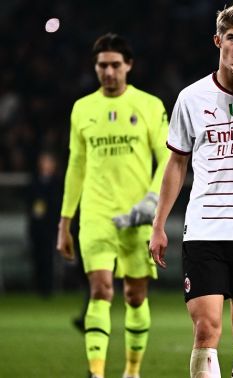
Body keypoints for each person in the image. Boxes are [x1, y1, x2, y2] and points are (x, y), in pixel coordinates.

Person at [149, 5, 233, 378]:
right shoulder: (190, 98)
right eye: (232, 38)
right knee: (206, 328)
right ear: (218, 40)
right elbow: (176, 163)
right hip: (205, 230)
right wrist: (159, 223)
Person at [56, 33, 169, 378]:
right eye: (102, 65)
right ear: (95, 67)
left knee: (135, 296)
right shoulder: (82, 108)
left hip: (138, 216)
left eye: (115, 65)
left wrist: (152, 200)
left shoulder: (149, 105)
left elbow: (166, 156)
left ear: (128, 66)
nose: (108, 72)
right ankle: (97, 372)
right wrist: (65, 223)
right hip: (96, 213)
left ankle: (132, 371)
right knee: (101, 289)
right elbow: (76, 166)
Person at [29, 151, 62, 297]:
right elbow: (29, 202)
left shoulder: (57, 182)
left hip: (50, 225)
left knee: (49, 257)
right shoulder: (35, 181)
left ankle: (48, 288)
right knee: (37, 257)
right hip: (37, 226)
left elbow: (58, 203)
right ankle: (38, 287)